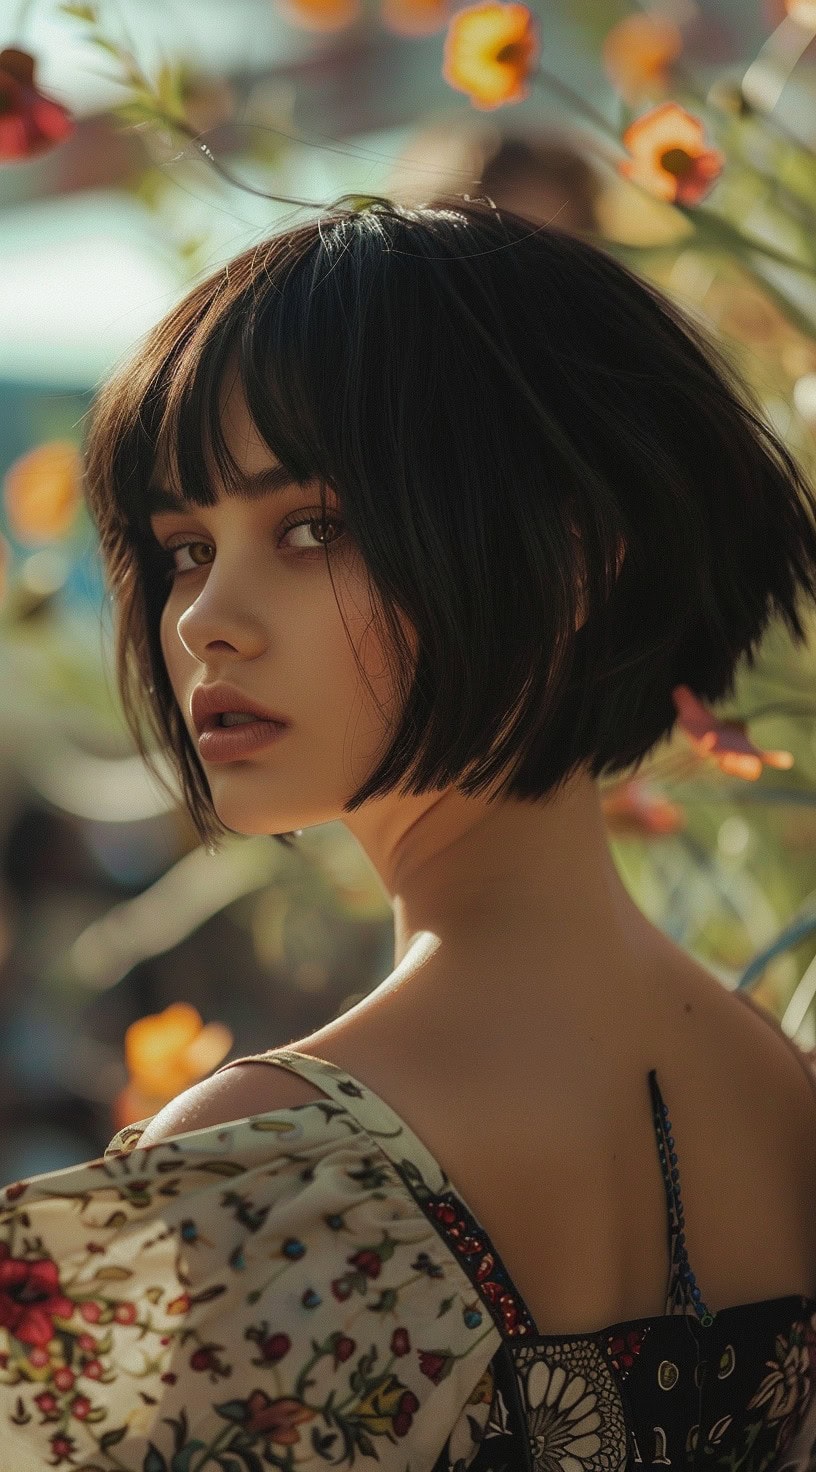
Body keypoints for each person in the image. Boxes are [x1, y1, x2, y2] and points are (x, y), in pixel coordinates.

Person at [3, 196, 816, 1471]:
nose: (205, 617)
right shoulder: (779, 1087)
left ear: (573, 561)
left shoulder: (256, 1170)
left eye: (313, 526)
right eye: (181, 546)